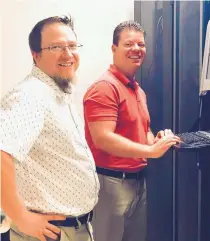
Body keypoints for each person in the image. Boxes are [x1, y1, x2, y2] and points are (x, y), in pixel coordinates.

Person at [0, 16, 99, 241]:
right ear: (36, 55)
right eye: (55, 47)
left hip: (72, 228)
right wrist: (21, 216)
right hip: (49, 233)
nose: (68, 54)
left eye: (72, 46)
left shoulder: (57, 91)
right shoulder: (32, 94)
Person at [83, 20, 180, 241]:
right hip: (111, 185)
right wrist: (151, 152)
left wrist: (154, 142)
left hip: (137, 184)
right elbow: (103, 139)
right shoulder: (104, 88)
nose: (136, 49)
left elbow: (141, 132)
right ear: (114, 48)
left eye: (141, 44)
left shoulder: (137, 90)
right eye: (129, 44)